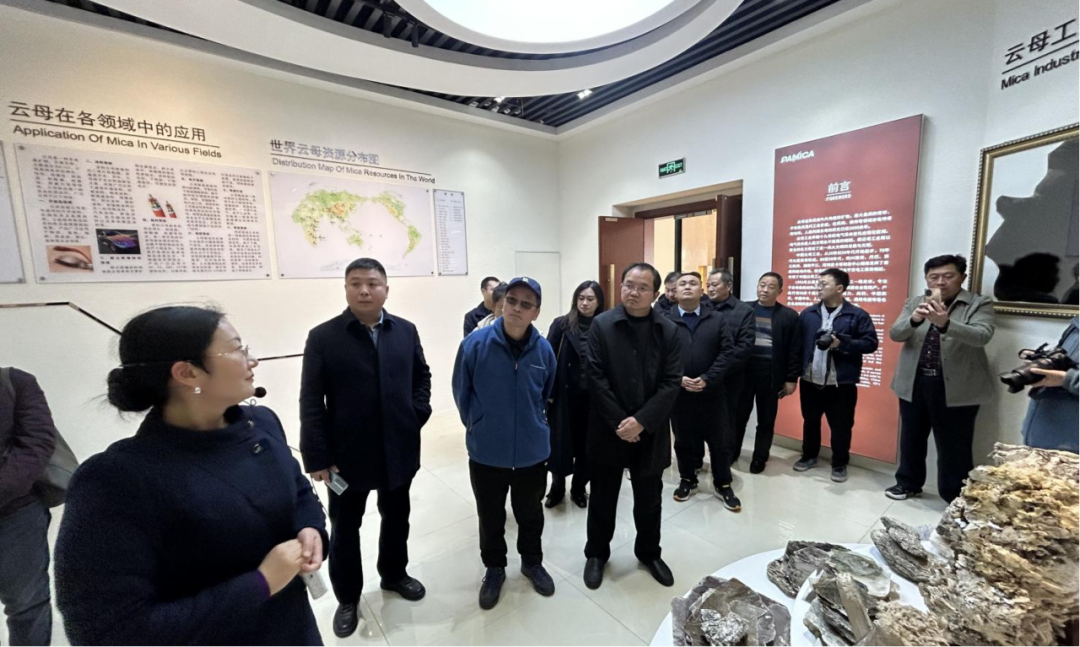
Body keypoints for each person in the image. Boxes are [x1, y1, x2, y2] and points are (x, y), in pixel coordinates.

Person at [55, 306, 327, 646]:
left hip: (295, 631)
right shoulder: (115, 480)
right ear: (187, 373)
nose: (253, 361)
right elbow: (109, 633)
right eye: (237, 349)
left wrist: (310, 527)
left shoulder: (262, 423)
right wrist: (260, 584)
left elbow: (299, 490)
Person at [300, 257, 431, 638]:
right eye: (355, 283)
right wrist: (318, 456)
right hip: (346, 456)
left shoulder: (405, 330)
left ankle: (394, 574)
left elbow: (421, 376)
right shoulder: (323, 337)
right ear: (346, 289)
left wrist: (415, 414)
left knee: (397, 516)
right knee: (345, 527)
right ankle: (348, 597)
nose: (364, 290)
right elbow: (311, 400)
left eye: (372, 283)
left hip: (398, 447)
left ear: (386, 289)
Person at [452, 277, 558, 610]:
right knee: (490, 516)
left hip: (531, 452)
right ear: (501, 303)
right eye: (512, 300)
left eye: (526, 304)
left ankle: (532, 562)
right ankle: (494, 568)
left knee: (530, 514)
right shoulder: (475, 344)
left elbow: (546, 392)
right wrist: (478, 424)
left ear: (536, 312)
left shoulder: (544, 350)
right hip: (487, 452)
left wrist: (534, 422)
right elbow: (461, 391)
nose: (516, 308)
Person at [582, 262, 684, 590]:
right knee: (602, 497)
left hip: (649, 431)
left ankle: (649, 553)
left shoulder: (669, 330)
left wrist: (641, 421)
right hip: (607, 428)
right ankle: (596, 554)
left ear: (655, 294)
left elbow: (671, 382)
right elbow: (594, 376)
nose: (633, 292)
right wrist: (620, 422)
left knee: (649, 499)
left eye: (642, 287)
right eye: (628, 285)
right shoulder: (602, 325)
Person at [887, 255, 996, 502]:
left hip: (957, 386)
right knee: (911, 437)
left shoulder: (979, 303)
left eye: (948, 276)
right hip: (914, 381)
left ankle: (954, 495)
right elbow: (895, 333)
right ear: (926, 279)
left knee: (954, 444)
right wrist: (914, 319)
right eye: (934, 277)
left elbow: (982, 335)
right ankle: (908, 483)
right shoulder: (915, 302)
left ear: (962, 277)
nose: (940, 282)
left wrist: (945, 324)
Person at [664, 273, 741, 511]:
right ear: (674, 292)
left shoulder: (717, 319)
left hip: (713, 392)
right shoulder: (665, 321)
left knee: (720, 441)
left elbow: (727, 352)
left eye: (693, 283)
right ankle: (688, 479)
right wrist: (678, 378)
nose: (687, 287)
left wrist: (708, 378)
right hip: (679, 394)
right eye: (682, 284)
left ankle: (723, 483)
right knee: (683, 440)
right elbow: (658, 356)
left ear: (702, 290)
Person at [795, 268, 879, 483]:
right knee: (810, 421)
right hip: (810, 379)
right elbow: (798, 345)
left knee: (841, 425)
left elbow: (871, 343)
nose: (818, 287)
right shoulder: (808, 314)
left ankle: (840, 463)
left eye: (824, 284)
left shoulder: (857, 315)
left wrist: (841, 343)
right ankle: (809, 456)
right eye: (818, 283)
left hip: (841, 382)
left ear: (840, 288)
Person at [0, 367, 58, 647]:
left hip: (16, 512)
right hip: (17, 509)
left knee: (27, 605)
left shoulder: (16, 382)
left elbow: (37, 443)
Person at [544, 280, 606, 508]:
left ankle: (579, 488)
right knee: (559, 444)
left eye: (590, 299)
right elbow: (547, 359)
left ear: (598, 302)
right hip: (563, 397)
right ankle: (557, 488)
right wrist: (549, 392)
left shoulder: (605, 326)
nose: (585, 303)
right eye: (581, 298)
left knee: (586, 447)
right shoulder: (561, 324)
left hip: (592, 399)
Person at [735, 272, 803, 474]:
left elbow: (794, 350)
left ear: (780, 291)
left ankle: (760, 457)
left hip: (771, 375)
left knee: (766, 420)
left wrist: (791, 379)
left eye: (771, 286)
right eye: (762, 284)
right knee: (738, 417)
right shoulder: (744, 309)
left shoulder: (789, 316)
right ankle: (732, 452)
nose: (764, 289)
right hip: (744, 373)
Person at [705, 268, 755, 473]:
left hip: (729, 378)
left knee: (727, 420)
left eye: (714, 284)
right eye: (708, 285)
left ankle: (726, 459)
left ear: (728, 286)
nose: (710, 288)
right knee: (699, 419)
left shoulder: (744, 311)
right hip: (701, 377)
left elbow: (744, 347)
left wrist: (716, 370)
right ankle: (699, 459)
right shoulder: (700, 307)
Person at [1021, 315, 1080, 453]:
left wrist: (1068, 379)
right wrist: (1043, 360)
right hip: (1043, 433)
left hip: (1071, 444)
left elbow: (1068, 376)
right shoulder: (1076, 324)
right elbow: (1065, 358)